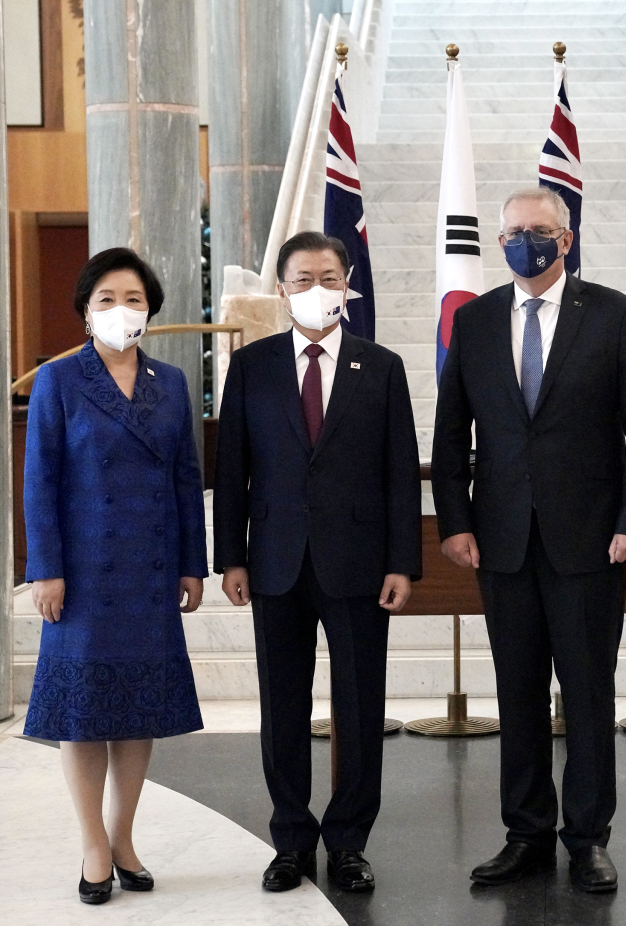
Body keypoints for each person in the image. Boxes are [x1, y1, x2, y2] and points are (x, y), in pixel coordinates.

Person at [432, 187, 626, 893]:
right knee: (518, 692)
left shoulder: (615, 315)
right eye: (510, 232)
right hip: (501, 541)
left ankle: (588, 837)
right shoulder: (472, 323)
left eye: (535, 231)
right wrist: (456, 521)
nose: (521, 241)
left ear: (565, 240)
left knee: (590, 692)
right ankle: (526, 833)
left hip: (593, 541)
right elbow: (450, 435)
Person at [214, 231, 421, 894]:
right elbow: (233, 470)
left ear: (348, 283)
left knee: (360, 707)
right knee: (283, 707)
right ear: (282, 290)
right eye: (302, 279)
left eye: (328, 277)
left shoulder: (381, 366)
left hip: (360, 565)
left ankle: (350, 841)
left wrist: (402, 562)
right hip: (274, 562)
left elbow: (397, 474)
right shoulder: (251, 367)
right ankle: (291, 840)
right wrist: (230, 558)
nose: (315, 290)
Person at [23, 247, 208, 905]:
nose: (120, 310)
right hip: (82, 575)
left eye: (132, 298)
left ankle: (123, 836)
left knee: (137, 713)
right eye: (106, 299)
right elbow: (40, 480)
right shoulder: (59, 380)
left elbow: (187, 477)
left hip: (151, 572)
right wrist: (45, 569)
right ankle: (93, 847)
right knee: (83, 714)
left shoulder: (172, 382)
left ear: (150, 309)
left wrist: (193, 563)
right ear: (85, 313)